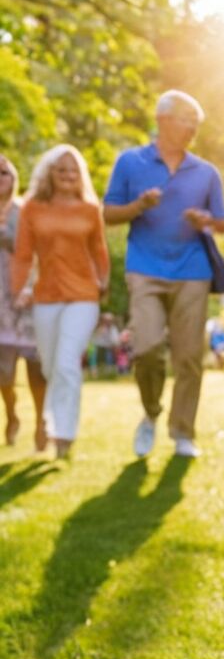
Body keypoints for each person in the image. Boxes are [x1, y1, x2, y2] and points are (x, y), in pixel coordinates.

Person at [103, 89, 224, 459]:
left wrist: (206, 220)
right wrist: (138, 205)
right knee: (145, 348)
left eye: (196, 123)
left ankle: (182, 432)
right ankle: (151, 412)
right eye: (186, 119)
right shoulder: (130, 162)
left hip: (193, 270)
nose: (192, 128)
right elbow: (108, 214)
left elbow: (222, 222)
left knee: (189, 356)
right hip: (145, 267)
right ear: (163, 119)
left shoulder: (206, 173)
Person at [10, 145, 109, 460]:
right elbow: (24, 254)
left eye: (73, 170)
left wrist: (102, 280)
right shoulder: (33, 208)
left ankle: (64, 434)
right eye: (61, 169)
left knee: (67, 363)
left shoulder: (90, 209)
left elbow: (99, 251)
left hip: (83, 295)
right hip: (46, 295)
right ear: (48, 173)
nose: (68, 175)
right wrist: (19, 289)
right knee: (52, 366)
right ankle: (52, 420)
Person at [0, 154, 48, 452]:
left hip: (26, 294)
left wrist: (33, 287)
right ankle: (12, 413)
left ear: (13, 177)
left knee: (35, 365)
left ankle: (41, 421)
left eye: (3, 172)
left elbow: (40, 252)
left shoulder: (26, 211)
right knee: (3, 371)